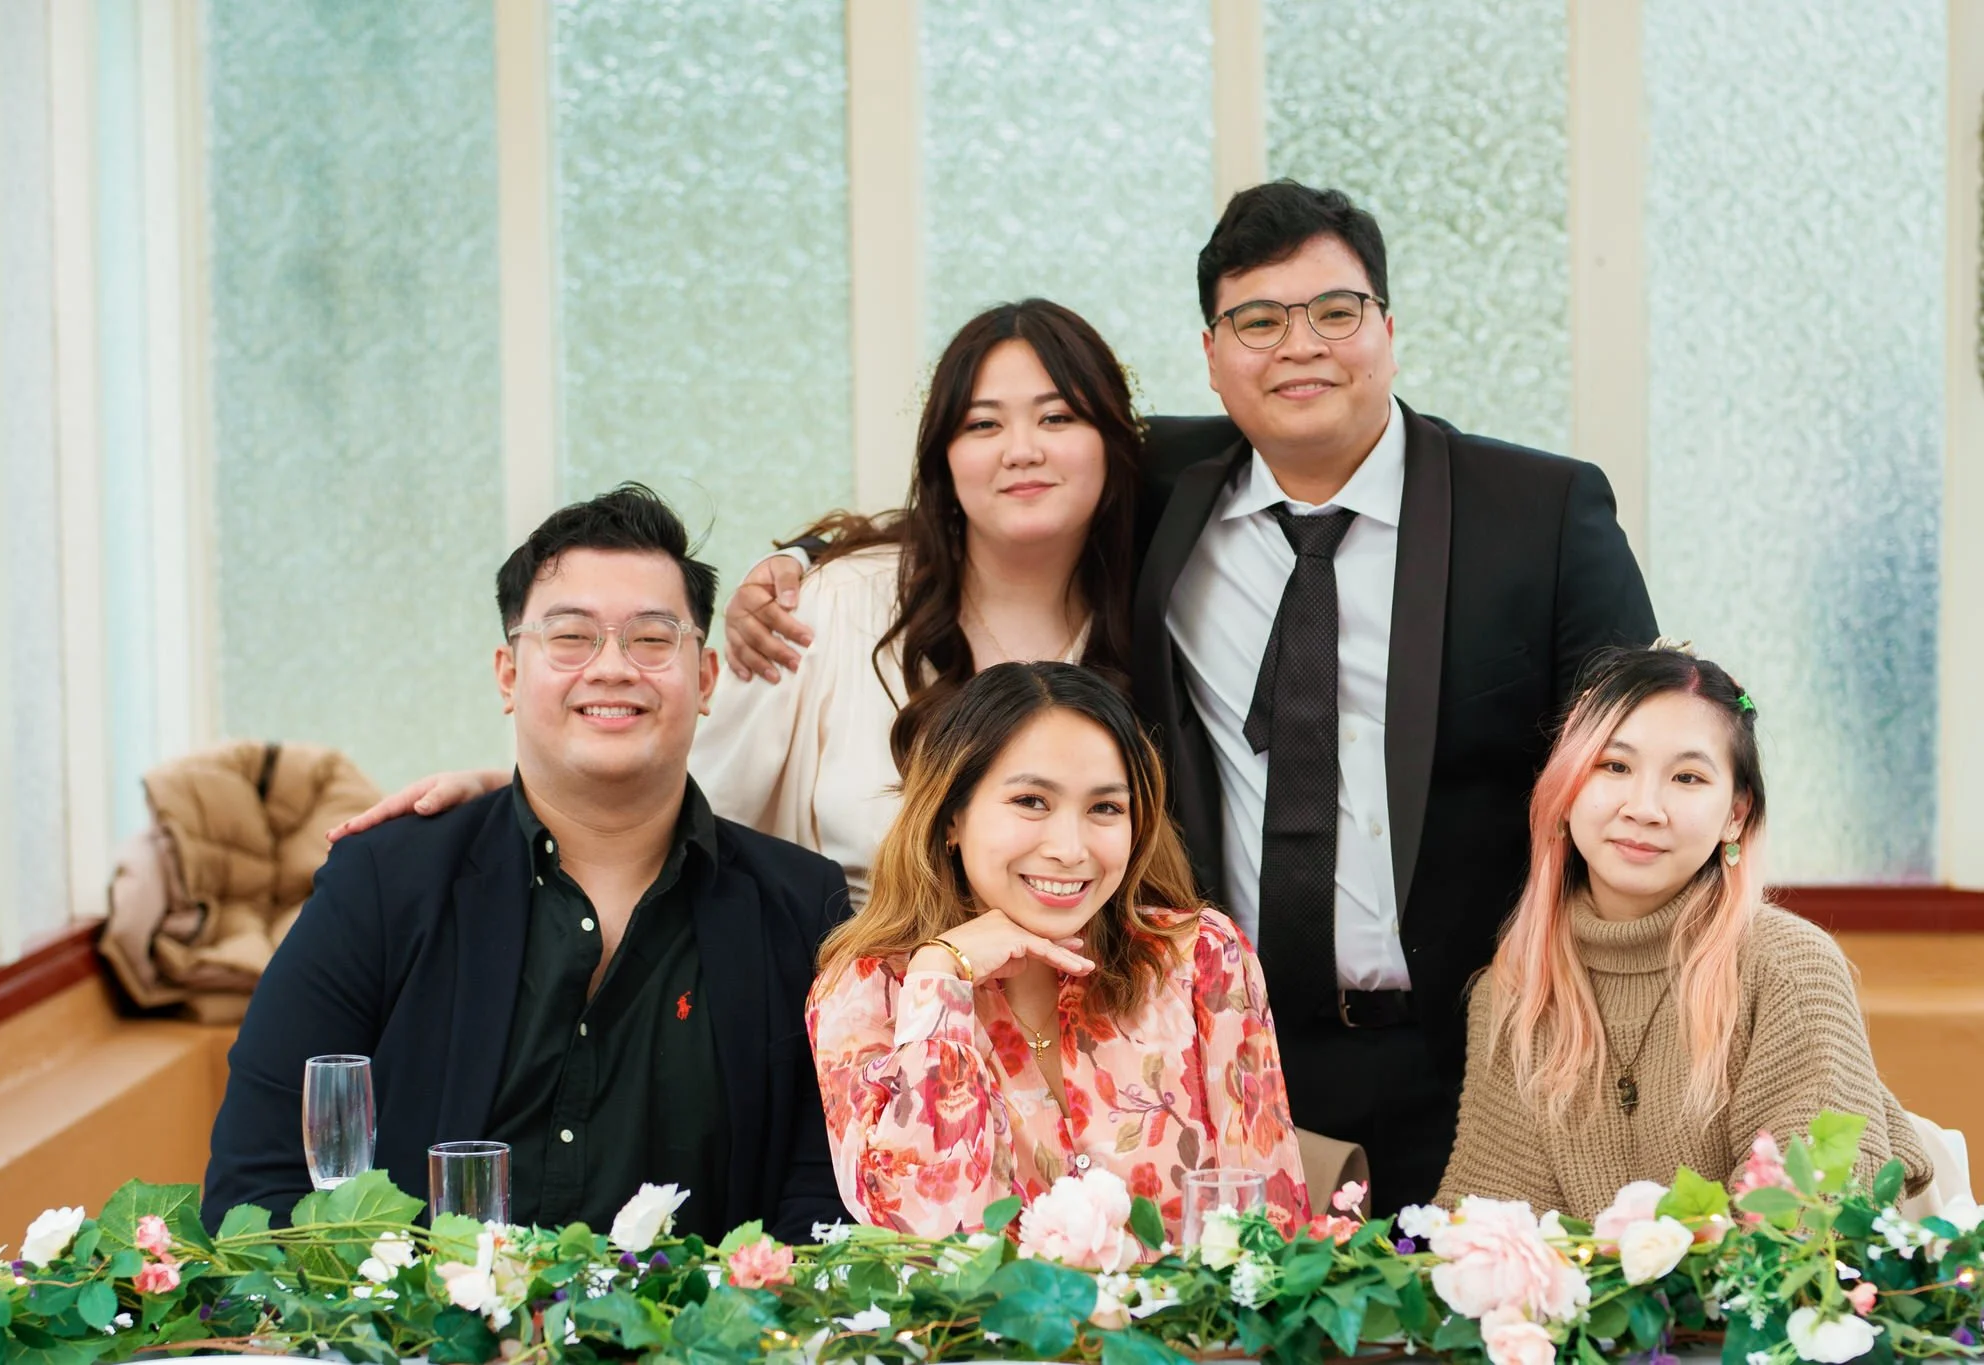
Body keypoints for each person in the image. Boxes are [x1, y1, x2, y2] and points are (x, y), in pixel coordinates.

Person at [726, 181, 1659, 1212]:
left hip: (1468, 1052)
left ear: (1386, 329)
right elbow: (993, 493)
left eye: (1334, 312)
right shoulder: (1173, 488)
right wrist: (801, 557)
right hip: (1207, 1046)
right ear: (1212, 357)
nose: (1297, 347)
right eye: (1256, 321)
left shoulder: (1538, 513)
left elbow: (1639, 760)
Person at [328, 299, 1145, 907]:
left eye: (1058, 416)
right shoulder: (829, 607)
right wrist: (522, 798)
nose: (1023, 451)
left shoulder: (1165, 609)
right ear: (943, 455)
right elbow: (684, 798)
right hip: (852, 1044)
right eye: (982, 424)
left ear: (1113, 435)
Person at [203, 485, 852, 1241]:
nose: (612, 668)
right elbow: (263, 1180)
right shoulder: (385, 884)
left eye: (651, 638)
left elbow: (824, 1200)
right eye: (571, 637)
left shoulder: (799, 908)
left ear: (705, 679)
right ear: (509, 674)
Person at [807, 661, 1309, 1238]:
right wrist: (941, 976)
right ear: (951, 817)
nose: (1071, 849)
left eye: (1105, 808)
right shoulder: (865, 990)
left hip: (1188, 1328)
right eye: (1032, 801)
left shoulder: (1200, 957)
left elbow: (1269, 1229)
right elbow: (928, 1231)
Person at [1434, 643, 1931, 1216]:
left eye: (1688, 778)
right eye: (1614, 766)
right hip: (1582, 1308)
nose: (1644, 808)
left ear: (1735, 814)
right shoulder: (1517, 988)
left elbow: (1816, 1215)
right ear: (1566, 788)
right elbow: (1489, 1222)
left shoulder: (1787, 967)